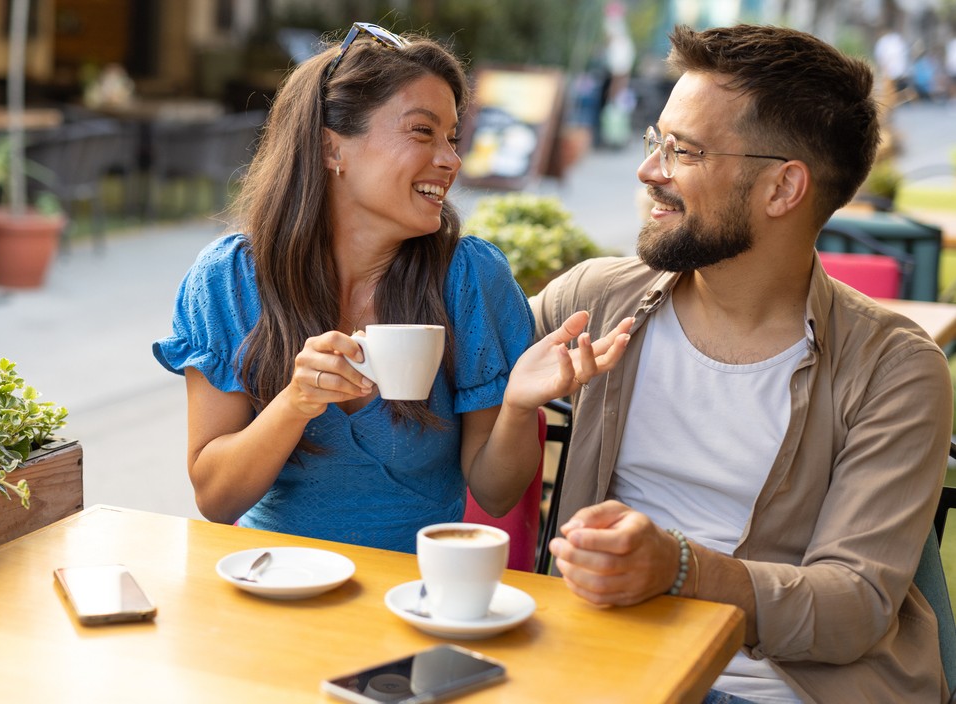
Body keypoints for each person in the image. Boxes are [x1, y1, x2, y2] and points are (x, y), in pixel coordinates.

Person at [539, 24, 952, 703]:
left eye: (683, 151)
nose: (649, 171)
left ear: (783, 188)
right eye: (655, 141)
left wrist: (679, 569)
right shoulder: (596, 300)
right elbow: (449, 366)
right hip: (596, 669)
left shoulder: (895, 370)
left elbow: (853, 604)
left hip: (774, 691)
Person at [153, 22, 631, 553]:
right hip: (274, 579)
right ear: (331, 148)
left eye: (452, 137)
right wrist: (296, 402)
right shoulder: (229, 280)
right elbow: (215, 500)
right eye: (423, 132)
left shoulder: (469, 277)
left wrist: (519, 406)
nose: (451, 159)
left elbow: (496, 495)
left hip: (417, 585)